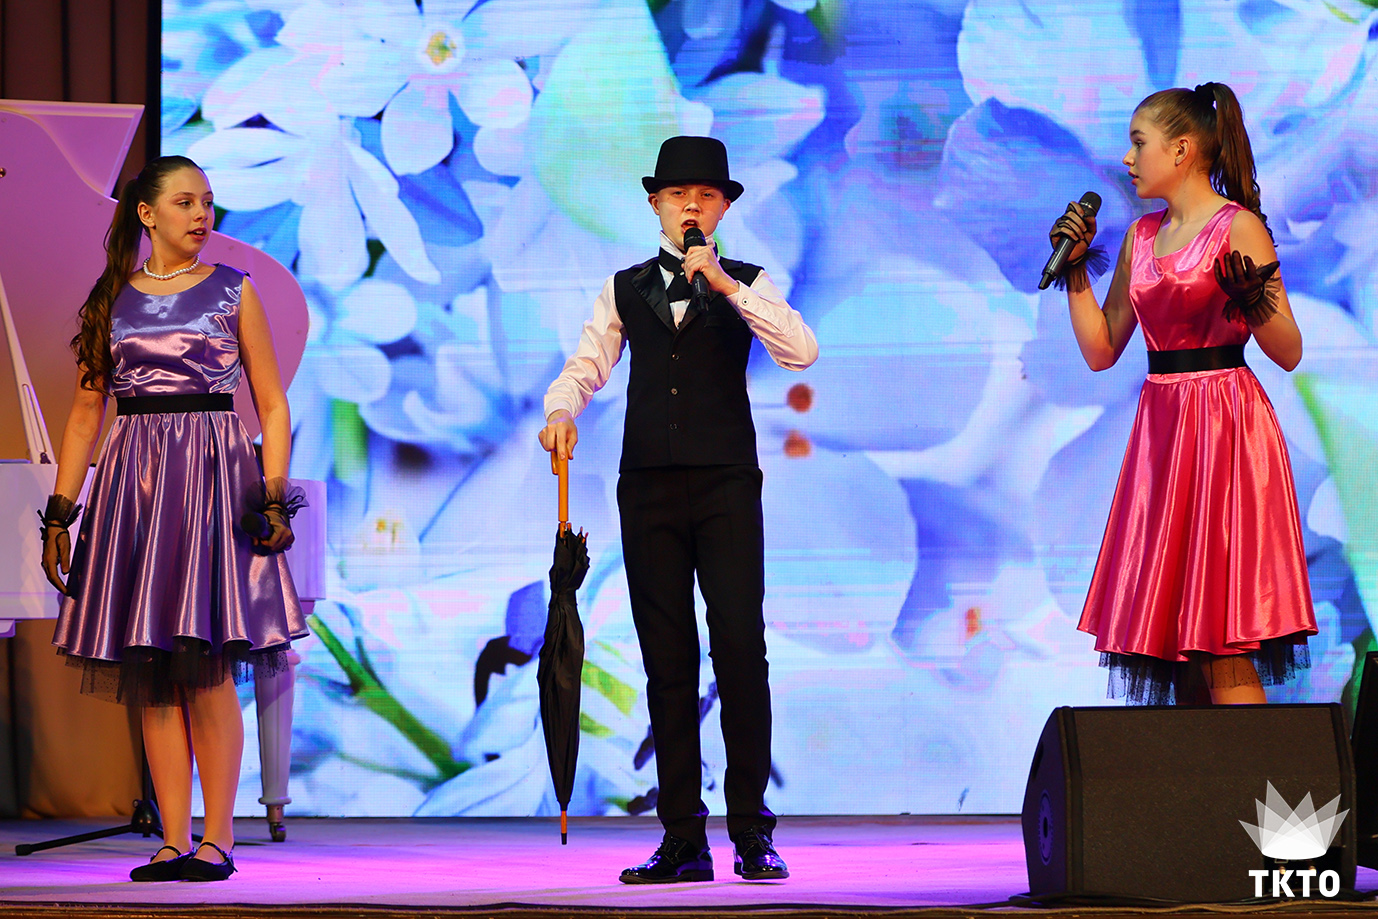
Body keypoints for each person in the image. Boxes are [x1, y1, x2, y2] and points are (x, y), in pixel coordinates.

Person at [539, 136, 818, 882]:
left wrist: (725, 285)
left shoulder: (748, 281)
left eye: (705, 195)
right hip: (650, 487)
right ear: (655, 204)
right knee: (667, 658)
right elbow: (586, 363)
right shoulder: (624, 287)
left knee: (741, 650)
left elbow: (801, 350)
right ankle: (683, 840)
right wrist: (561, 409)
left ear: (723, 208)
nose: (691, 205)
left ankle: (752, 831)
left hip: (726, 484)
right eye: (676, 195)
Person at [41, 155, 308, 881]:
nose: (202, 215)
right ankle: (172, 838)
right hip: (136, 486)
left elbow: (272, 402)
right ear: (147, 213)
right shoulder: (113, 299)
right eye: (186, 202)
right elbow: (85, 415)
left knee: (207, 666)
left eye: (208, 202)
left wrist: (274, 494)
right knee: (154, 672)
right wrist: (60, 514)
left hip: (213, 481)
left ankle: (217, 840)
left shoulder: (233, 289)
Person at [1052, 83, 1316, 705]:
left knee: (1222, 642)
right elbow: (1101, 350)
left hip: (1225, 427)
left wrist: (1254, 301)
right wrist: (1075, 271)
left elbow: (1289, 350)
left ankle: (1253, 767)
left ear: (1181, 150)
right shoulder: (1140, 236)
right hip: (1163, 431)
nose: (1127, 158)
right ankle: (1205, 769)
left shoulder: (1238, 227)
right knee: (1175, 637)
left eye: (1138, 143)